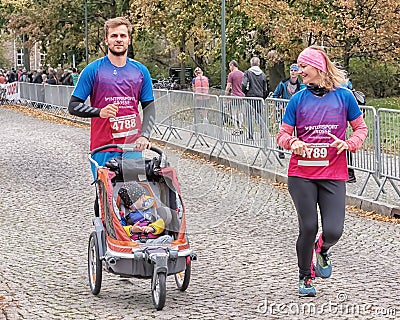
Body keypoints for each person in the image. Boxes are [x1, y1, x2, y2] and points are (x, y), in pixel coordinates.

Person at [277, 46, 368, 297]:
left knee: (334, 231)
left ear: (318, 67)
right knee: (307, 226)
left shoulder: (344, 96)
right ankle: (305, 277)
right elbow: (283, 134)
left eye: (303, 66)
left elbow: (361, 129)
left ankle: (323, 248)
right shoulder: (298, 99)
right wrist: (293, 142)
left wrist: (349, 144)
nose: (299, 70)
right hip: (302, 174)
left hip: (333, 173)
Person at [68, 16, 155, 216]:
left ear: (129, 40)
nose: (118, 39)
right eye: (113, 35)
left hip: (132, 146)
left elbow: (149, 107)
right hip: (103, 146)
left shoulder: (140, 71)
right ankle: (103, 237)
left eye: (122, 35)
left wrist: (145, 135)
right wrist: (100, 112)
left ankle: (132, 238)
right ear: (106, 40)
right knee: (105, 195)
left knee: (134, 196)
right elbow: (73, 106)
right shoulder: (93, 70)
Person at [272, 63, 305, 158]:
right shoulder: (283, 83)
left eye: (295, 70)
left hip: (296, 112)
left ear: (298, 72)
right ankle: (280, 149)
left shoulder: (301, 85)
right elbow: (275, 96)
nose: (293, 73)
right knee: (282, 130)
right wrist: (280, 105)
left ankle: (295, 149)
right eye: (291, 70)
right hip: (283, 111)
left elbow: (304, 97)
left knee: (296, 131)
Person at [241, 57, 269, 140]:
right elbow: (265, 89)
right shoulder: (263, 74)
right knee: (258, 116)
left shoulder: (248, 73)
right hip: (259, 97)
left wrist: (245, 93)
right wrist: (263, 96)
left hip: (250, 97)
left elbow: (244, 85)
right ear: (259, 64)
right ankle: (263, 133)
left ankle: (250, 135)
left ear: (251, 64)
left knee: (249, 116)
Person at [225, 60, 245, 135]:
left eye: (230, 66)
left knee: (234, 112)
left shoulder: (231, 74)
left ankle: (236, 129)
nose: (229, 68)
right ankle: (240, 127)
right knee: (240, 112)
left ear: (232, 65)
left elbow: (228, 86)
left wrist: (225, 94)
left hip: (234, 96)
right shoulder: (242, 74)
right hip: (242, 96)